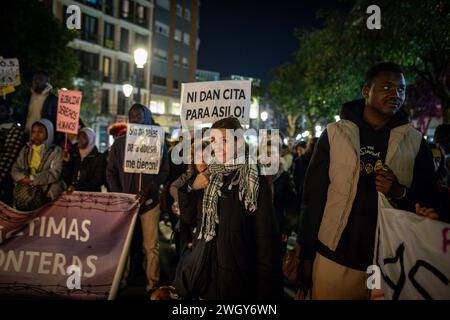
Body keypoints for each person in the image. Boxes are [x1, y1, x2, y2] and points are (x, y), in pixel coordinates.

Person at [296, 62, 439, 300]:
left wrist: (399, 191)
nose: (396, 94)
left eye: (401, 89)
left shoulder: (415, 141)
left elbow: (428, 200)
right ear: (366, 91)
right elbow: (313, 198)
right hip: (335, 257)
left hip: (390, 264)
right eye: (387, 87)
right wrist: (306, 254)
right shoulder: (334, 134)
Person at [173, 117, 283, 300]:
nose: (218, 147)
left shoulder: (254, 181)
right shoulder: (210, 176)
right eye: (214, 141)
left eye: (224, 140)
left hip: (237, 282)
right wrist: (193, 188)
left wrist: (264, 292)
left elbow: (266, 243)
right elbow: (189, 219)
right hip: (206, 278)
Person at [107, 103, 170, 292]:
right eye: (132, 115)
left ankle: (153, 284)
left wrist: (151, 188)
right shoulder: (119, 144)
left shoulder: (158, 143)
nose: (136, 118)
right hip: (127, 204)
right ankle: (121, 281)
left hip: (149, 204)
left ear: (147, 117)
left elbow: (164, 171)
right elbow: (110, 173)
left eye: (139, 115)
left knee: (151, 247)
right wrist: (121, 195)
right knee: (124, 246)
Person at [11, 119, 64, 211]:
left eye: (40, 132)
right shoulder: (26, 149)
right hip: (24, 189)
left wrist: (33, 179)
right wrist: (22, 178)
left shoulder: (56, 151)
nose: (36, 135)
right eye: (34, 132)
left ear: (48, 133)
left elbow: (55, 173)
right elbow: (15, 168)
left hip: (44, 190)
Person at [63, 128, 106, 192]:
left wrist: (77, 188)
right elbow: (66, 176)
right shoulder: (73, 154)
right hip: (72, 194)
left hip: (91, 197)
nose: (80, 140)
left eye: (84, 138)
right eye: (79, 137)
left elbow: (98, 180)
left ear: (91, 139)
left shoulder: (99, 157)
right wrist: (66, 162)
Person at [0, 99, 26, 205]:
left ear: (9, 111)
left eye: (1, 110)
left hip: (3, 179)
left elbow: (8, 157)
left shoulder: (14, 129)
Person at [17, 71, 58, 138]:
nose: (37, 81)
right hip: (26, 133)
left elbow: (54, 118)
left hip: (42, 137)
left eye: (40, 79)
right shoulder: (27, 95)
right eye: (35, 79)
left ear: (46, 82)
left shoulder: (52, 99)